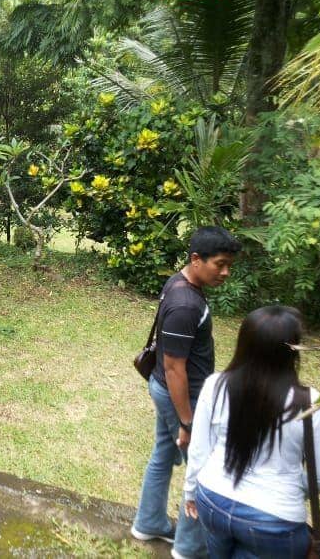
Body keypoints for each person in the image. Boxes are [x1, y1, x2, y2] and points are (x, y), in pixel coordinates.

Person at [183, 306, 320, 558]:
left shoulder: (215, 385)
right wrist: (286, 489)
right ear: (293, 350)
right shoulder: (310, 402)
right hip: (274, 523)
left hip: (211, 500)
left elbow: (199, 448)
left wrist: (190, 492)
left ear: (244, 343)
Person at [132, 226, 241, 559]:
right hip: (180, 396)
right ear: (196, 259)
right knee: (202, 468)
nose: (225, 272)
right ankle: (189, 546)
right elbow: (174, 368)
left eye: (228, 265)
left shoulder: (182, 284)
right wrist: (188, 422)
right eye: (219, 264)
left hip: (169, 391)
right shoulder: (185, 305)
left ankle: (148, 522)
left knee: (163, 454)